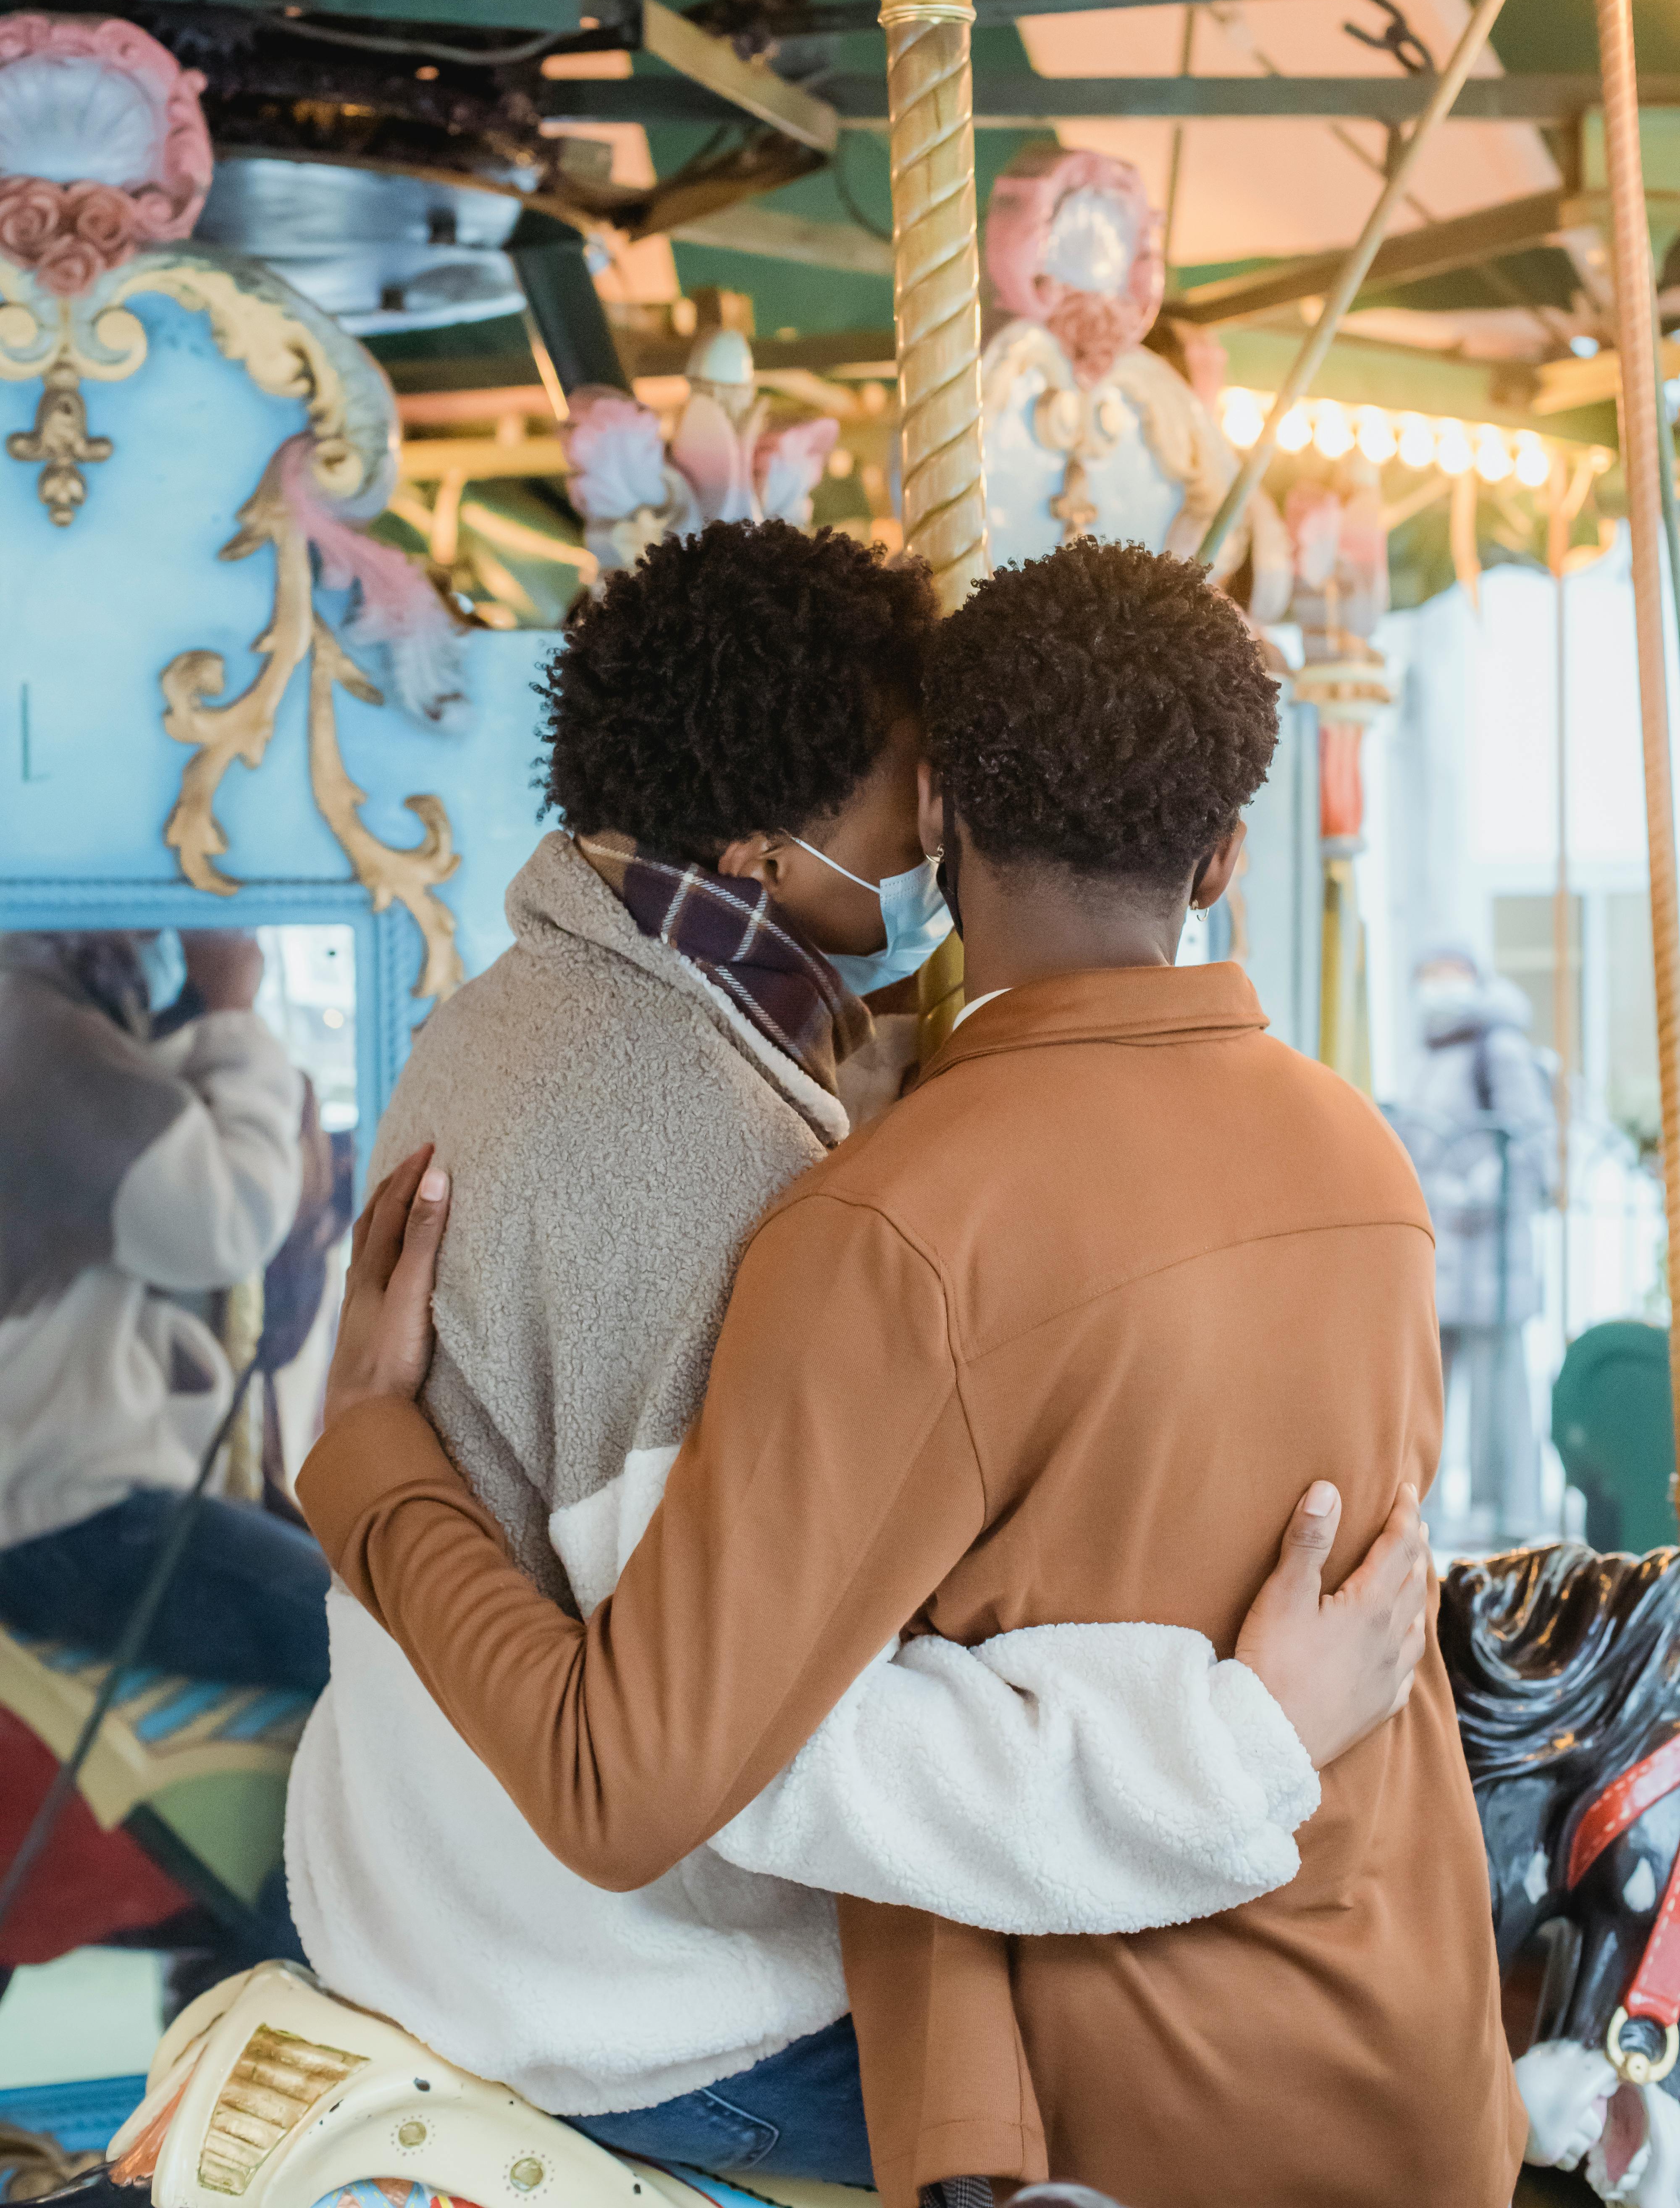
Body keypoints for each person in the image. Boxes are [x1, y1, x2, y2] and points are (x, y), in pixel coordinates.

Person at [300, 537, 1505, 2208]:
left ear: (946, 820)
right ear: (1227, 853)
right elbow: (680, 1762)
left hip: (1148, 2031)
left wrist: (364, 1468)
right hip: (1398, 2023)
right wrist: (1248, 1738)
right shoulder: (1367, 1160)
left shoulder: (837, 1177)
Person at [0, 927, 326, 1691]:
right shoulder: (30, 1026)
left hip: (53, 1496)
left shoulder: (45, 1021)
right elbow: (226, 1219)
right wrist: (233, 1008)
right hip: (65, 1512)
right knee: (381, 1654)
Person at [1395, 944, 1555, 1546]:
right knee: (1431, 1388)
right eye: (1429, 974)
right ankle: (1430, 1515)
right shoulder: (1427, 1053)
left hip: (1488, 1254)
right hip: (1439, 1257)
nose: (1439, 986)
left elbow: (1530, 1143)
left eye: (1449, 973)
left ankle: (1510, 1517)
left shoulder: (1499, 1048)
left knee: (1500, 1394)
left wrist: (1469, 1194)